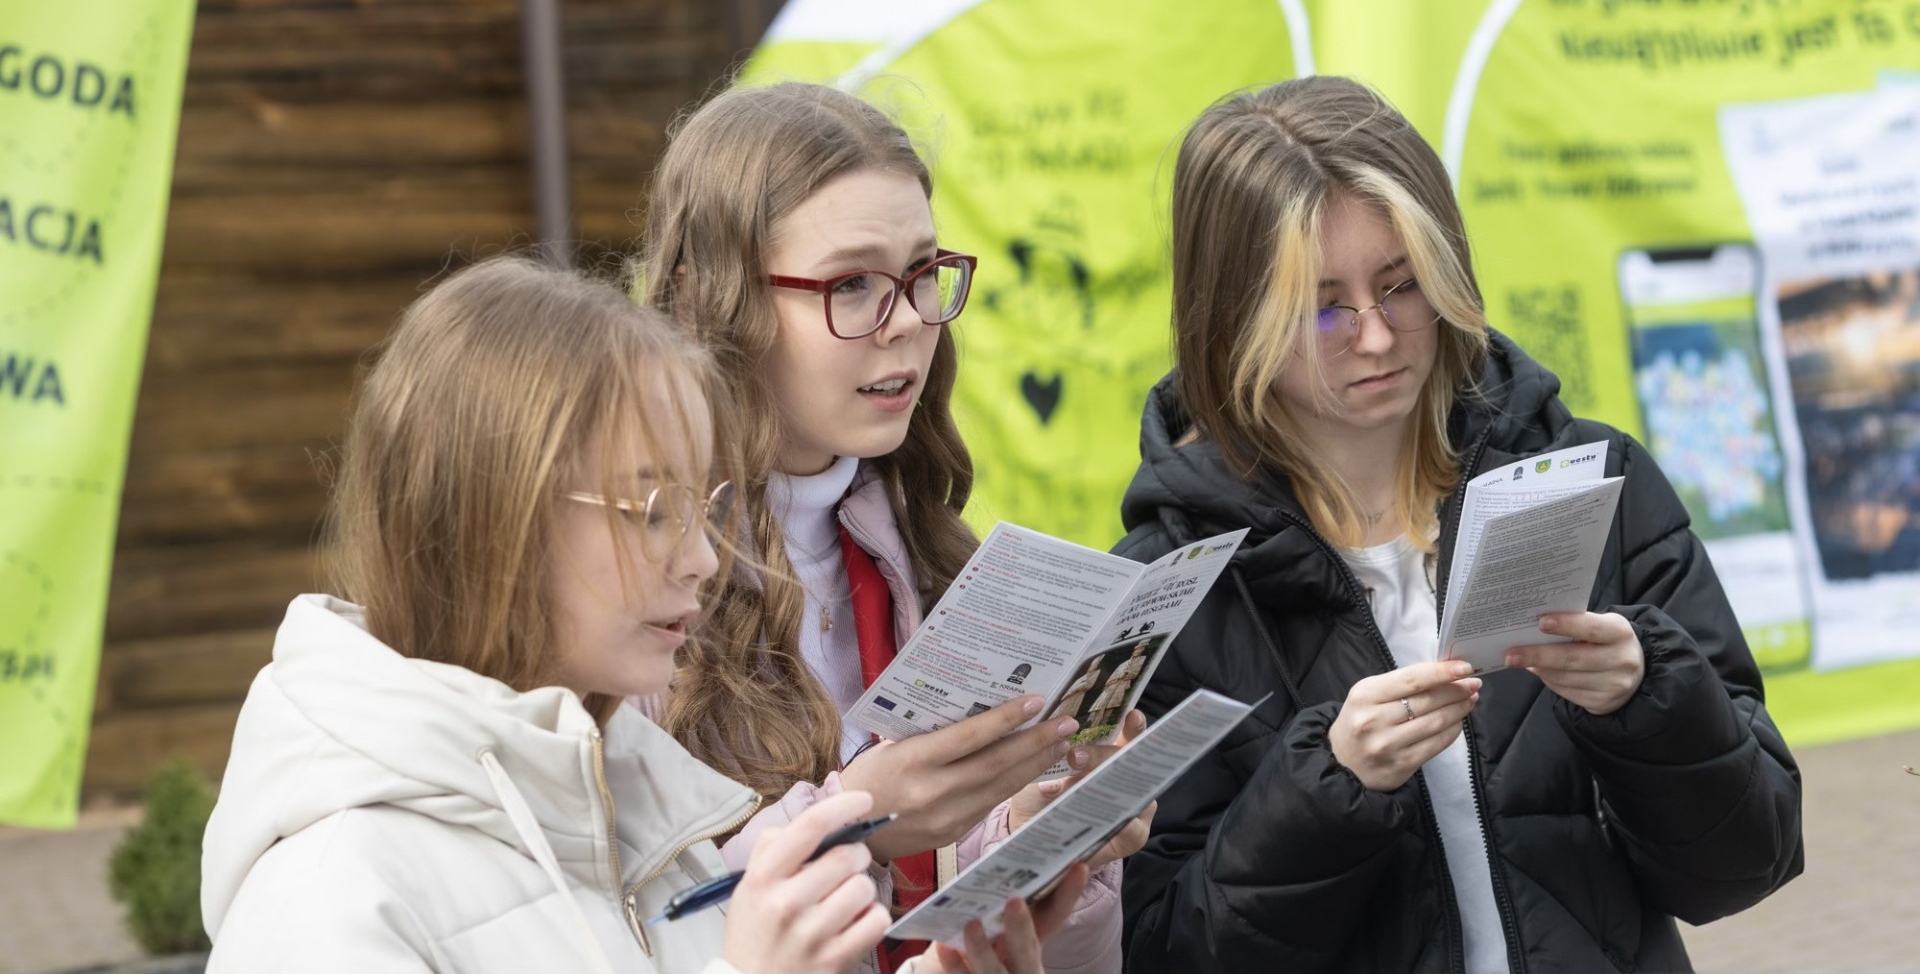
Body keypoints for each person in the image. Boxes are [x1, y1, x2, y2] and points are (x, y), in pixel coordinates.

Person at [198, 257, 1078, 974]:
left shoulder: (655, 821)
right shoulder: (331, 897)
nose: (701, 557)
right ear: (496, 517)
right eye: (653, 508)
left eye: (706, 506)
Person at [1113, 76, 1804, 973]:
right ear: (1231, 320)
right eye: (1322, 306)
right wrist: (1326, 790)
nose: (1375, 335)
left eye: (1403, 285)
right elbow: (1162, 949)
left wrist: (1650, 703)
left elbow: (1748, 862)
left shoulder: (1595, 482)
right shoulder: (1170, 588)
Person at [635, 82, 1144, 974]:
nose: (909, 320)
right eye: (855, 283)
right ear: (714, 304)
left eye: (920, 274)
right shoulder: (631, 577)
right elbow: (626, 927)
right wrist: (857, 820)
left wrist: (1050, 836)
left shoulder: (918, 547)